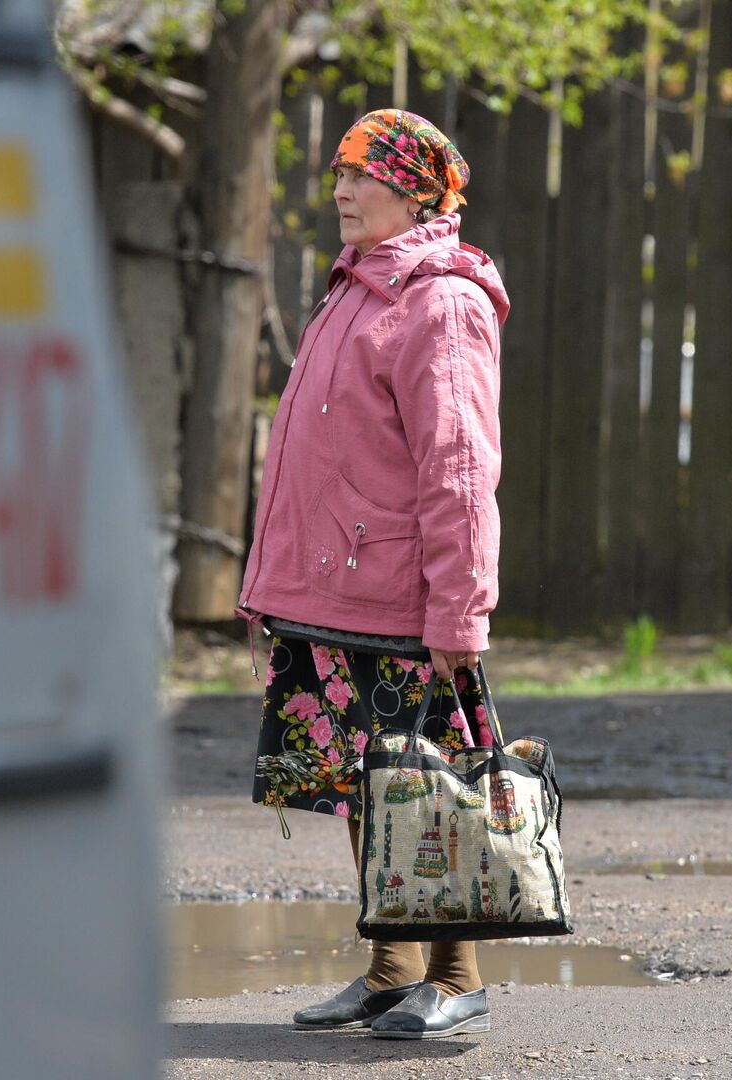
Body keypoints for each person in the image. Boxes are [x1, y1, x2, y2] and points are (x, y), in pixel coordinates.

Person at [237, 109, 509, 1040]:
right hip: (330, 593)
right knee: (364, 786)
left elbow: (461, 470)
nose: (343, 192)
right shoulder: (353, 290)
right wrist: (267, 586)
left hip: (401, 600)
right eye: (340, 176)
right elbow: (304, 459)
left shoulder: (443, 302)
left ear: (417, 191)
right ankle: (393, 968)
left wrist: (459, 615)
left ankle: (458, 973)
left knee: (424, 790)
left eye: (366, 176)